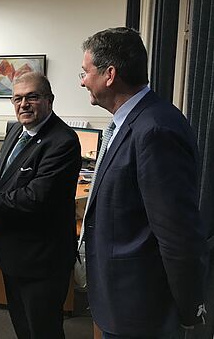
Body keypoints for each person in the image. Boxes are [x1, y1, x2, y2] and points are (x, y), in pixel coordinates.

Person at [79, 27, 207, 338]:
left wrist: (190, 310)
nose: (82, 81)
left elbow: (177, 235)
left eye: (85, 72)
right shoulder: (129, 123)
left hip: (142, 310)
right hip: (122, 300)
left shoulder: (155, 130)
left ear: (109, 74)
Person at [0, 72, 81, 339]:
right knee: (22, 323)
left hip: (42, 258)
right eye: (18, 98)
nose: (24, 104)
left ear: (49, 100)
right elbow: (1, 167)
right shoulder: (17, 130)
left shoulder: (63, 141)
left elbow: (35, 197)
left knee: (43, 329)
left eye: (32, 97)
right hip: (13, 253)